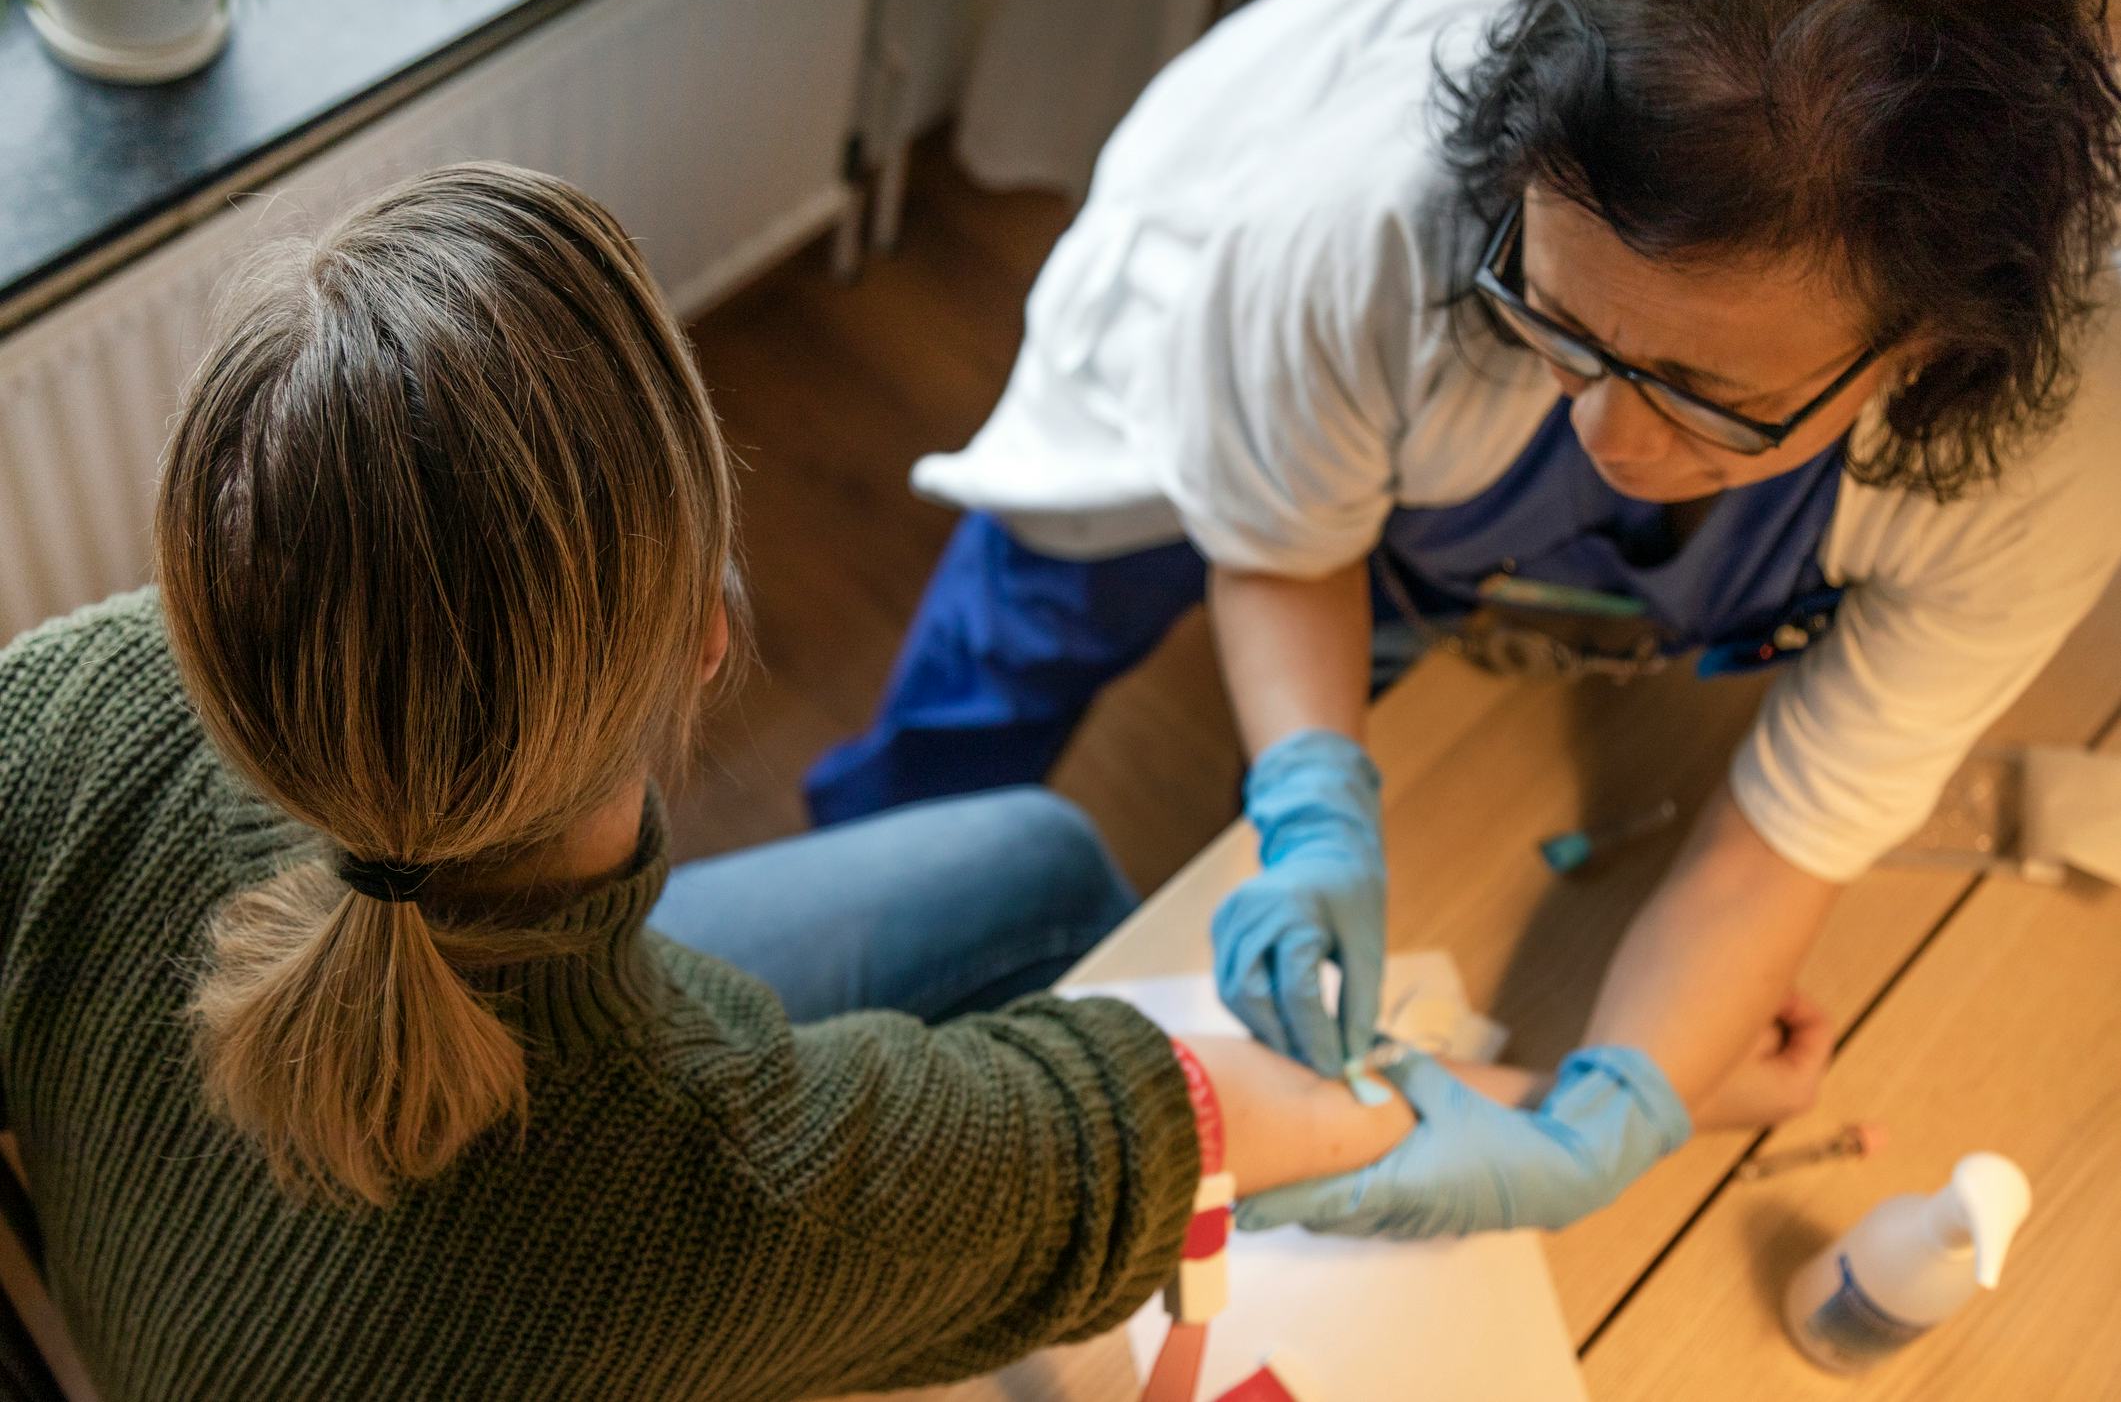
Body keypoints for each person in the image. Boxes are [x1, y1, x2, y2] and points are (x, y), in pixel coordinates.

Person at [0, 163, 1682, 1401]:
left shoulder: (73, 696)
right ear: (708, 642)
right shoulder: (717, 1190)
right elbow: (1128, 1128)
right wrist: (1526, 1110)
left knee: (1031, 861)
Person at [807, 0, 2121, 1231]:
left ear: (1921, 350)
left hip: (1428, 414)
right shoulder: (1357, 224)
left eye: (1707, 395)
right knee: (1030, 622)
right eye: (1554, 320)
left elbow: (1794, 826)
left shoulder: (2063, 439)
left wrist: (1612, 1117)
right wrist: (1316, 805)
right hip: (1225, 322)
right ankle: (865, 869)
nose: (1611, 435)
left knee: (1362, 669)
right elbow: (1279, 548)